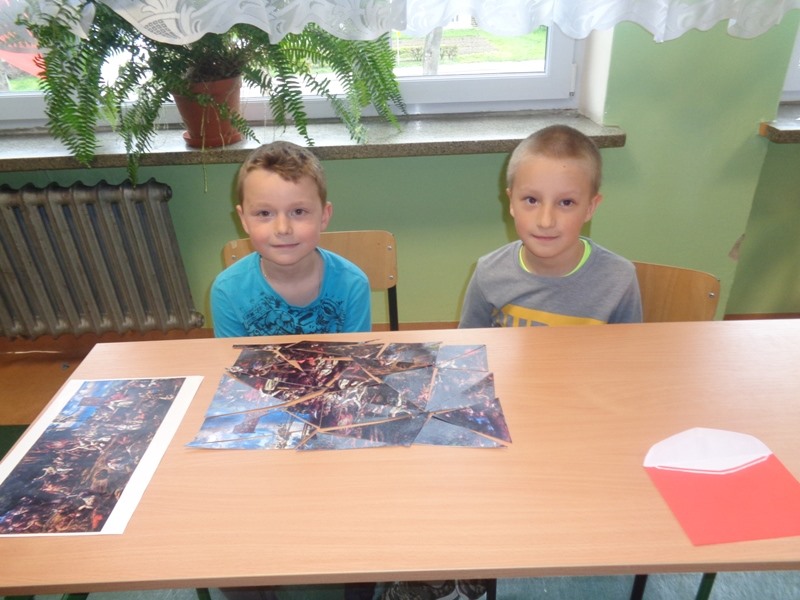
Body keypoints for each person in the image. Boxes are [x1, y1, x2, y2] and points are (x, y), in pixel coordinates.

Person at [458, 124, 642, 329]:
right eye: (531, 200)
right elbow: (469, 345)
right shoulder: (488, 272)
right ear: (511, 203)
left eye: (566, 203)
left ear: (590, 208)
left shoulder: (619, 279)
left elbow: (629, 348)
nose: (546, 221)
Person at [211, 140, 372, 337]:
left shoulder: (353, 284)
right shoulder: (227, 290)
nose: (283, 229)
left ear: (324, 216)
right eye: (264, 213)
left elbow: (356, 354)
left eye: (298, 211)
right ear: (243, 220)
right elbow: (231, 356)